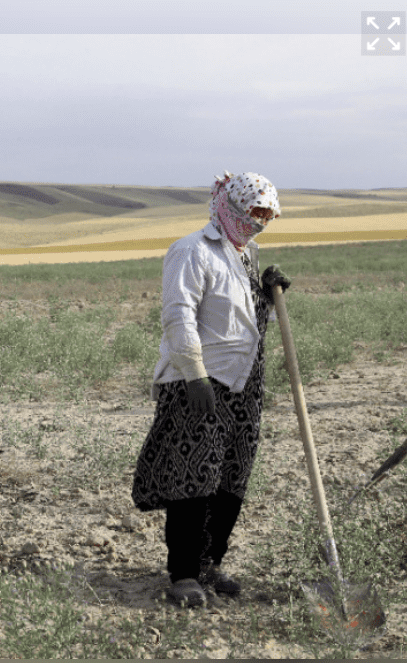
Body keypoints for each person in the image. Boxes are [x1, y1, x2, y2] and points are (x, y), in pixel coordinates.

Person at [131, 171, 291, 606]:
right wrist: (195, 374)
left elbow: (243, 322)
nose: (259, 223)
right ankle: (184, 573)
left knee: (231, 477)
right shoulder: (192, 251)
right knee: (192, 478)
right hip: (197, 383)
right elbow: (179, 316)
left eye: (267, 216)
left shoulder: (247, 256)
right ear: (232, 204)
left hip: (243, 385)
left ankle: (210, 563)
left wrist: (270, 294)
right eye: (254, 212)